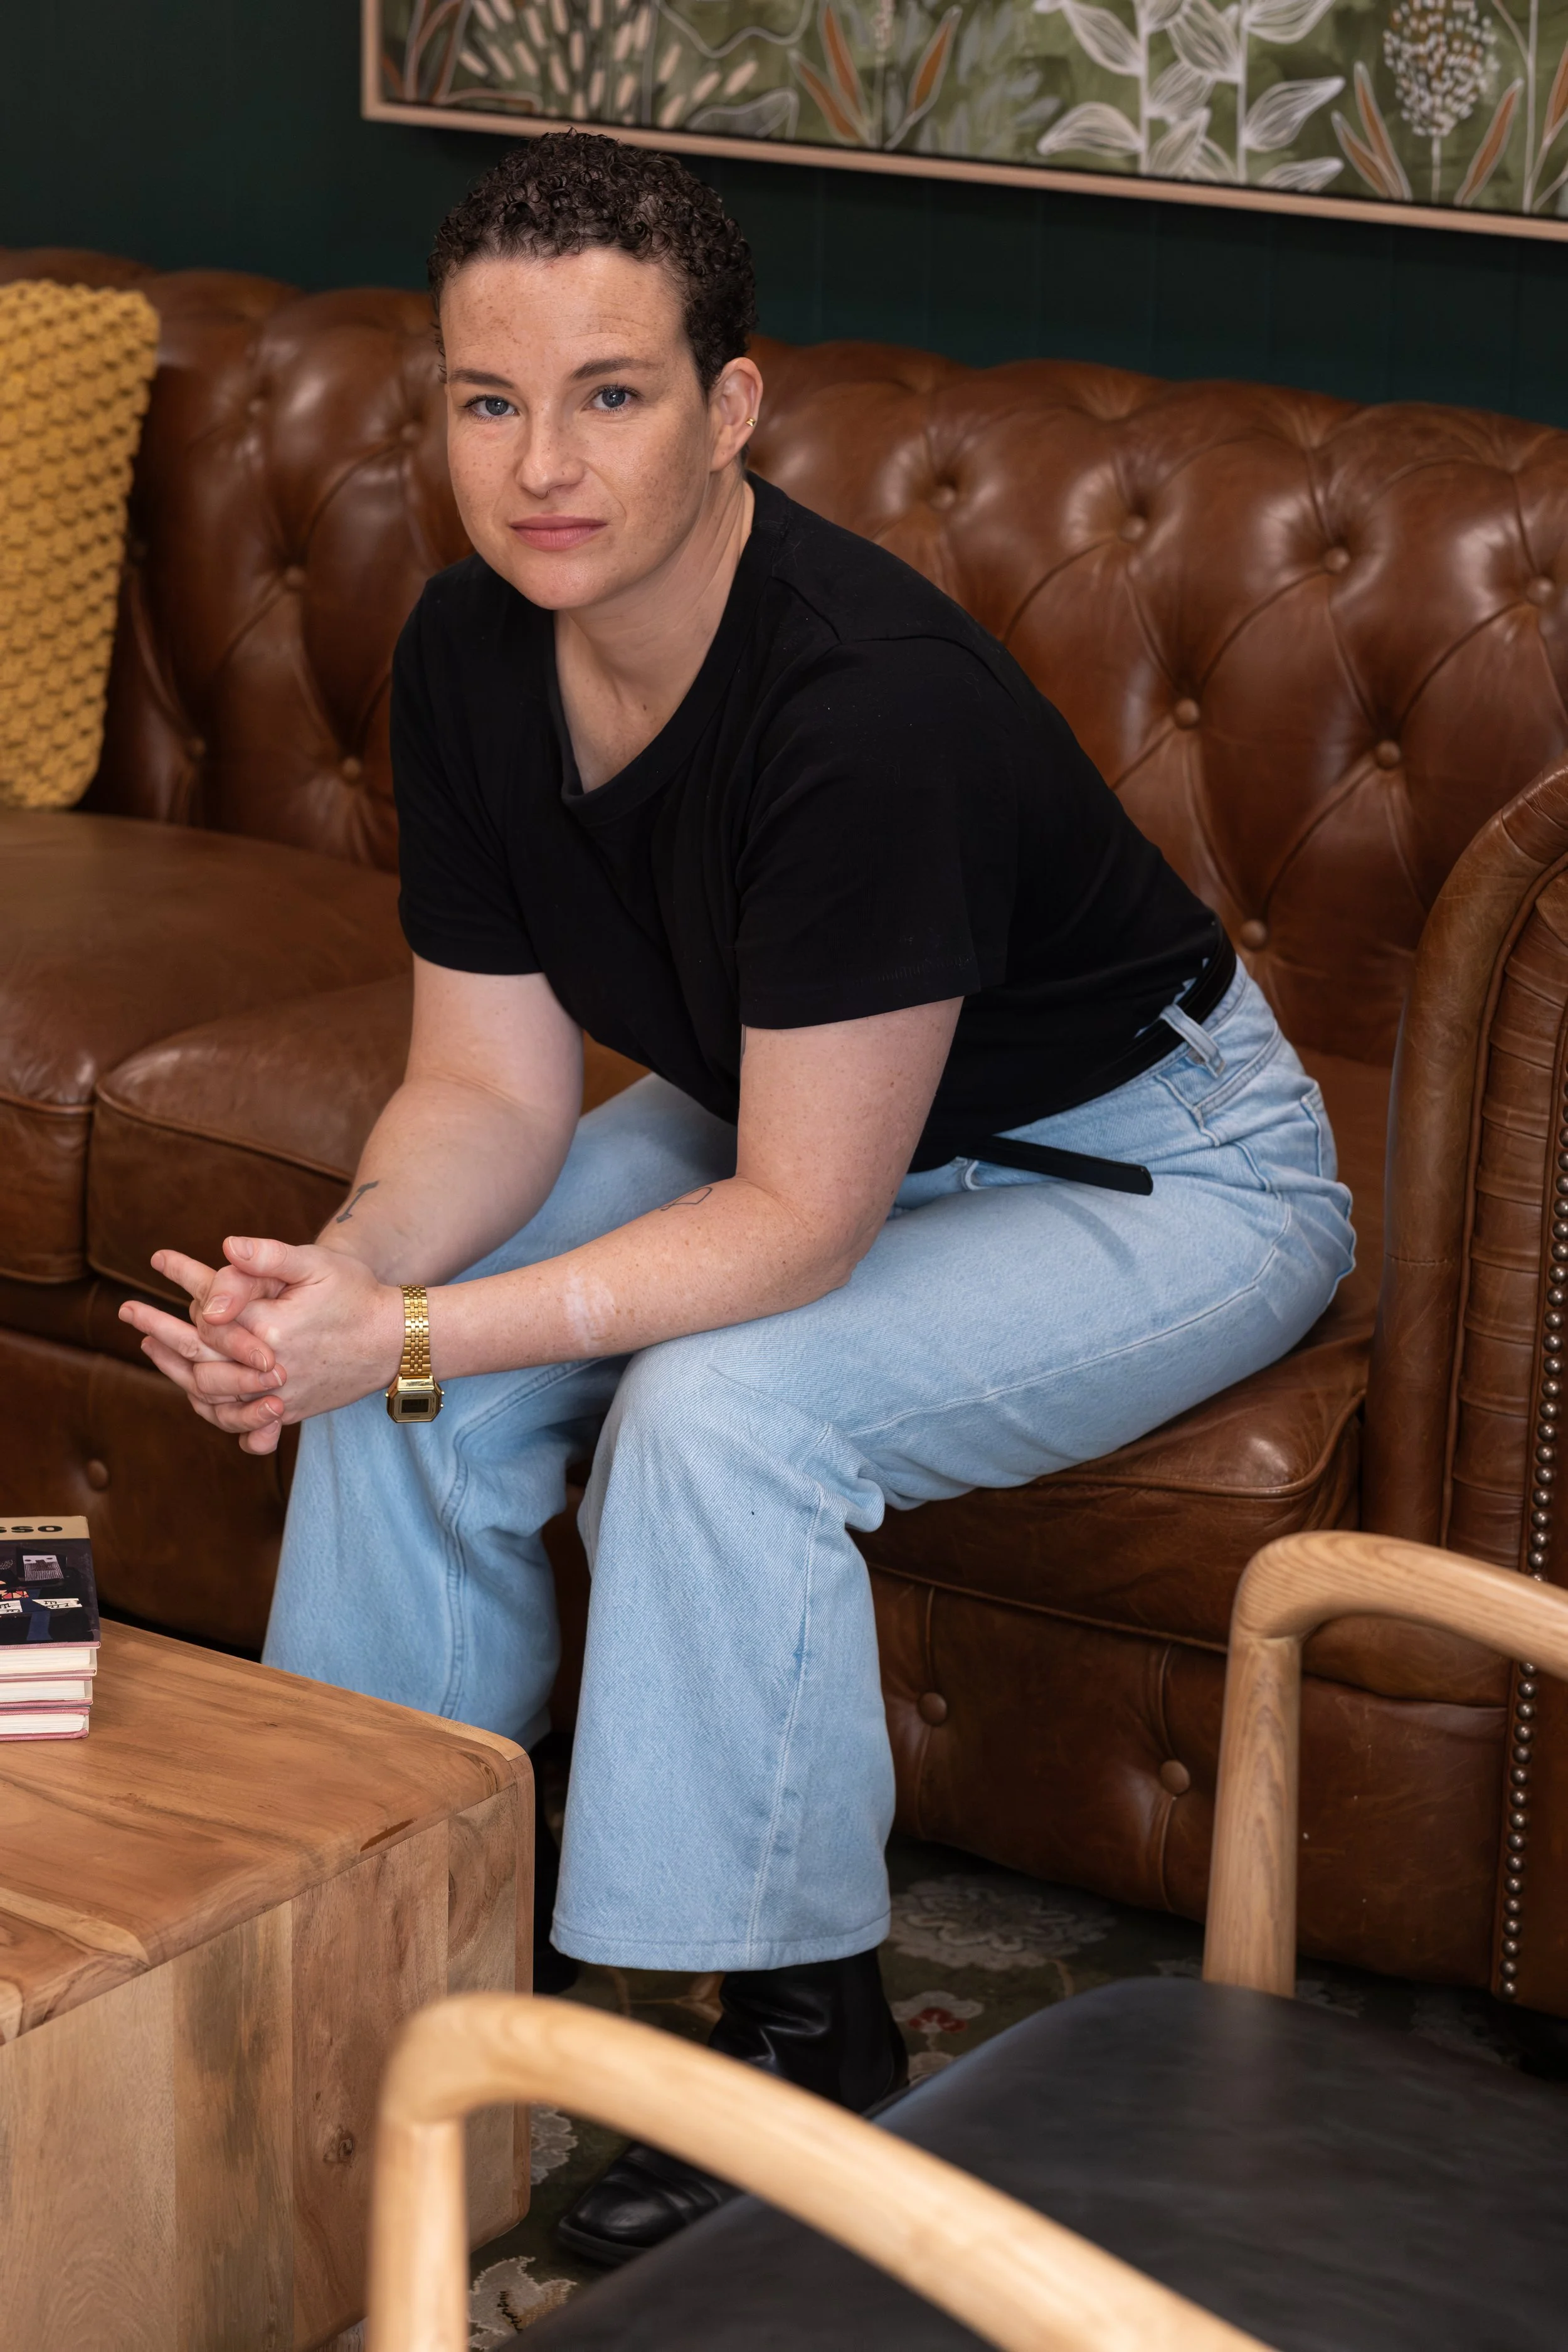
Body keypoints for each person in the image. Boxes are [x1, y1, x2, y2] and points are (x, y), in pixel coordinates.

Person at [122, 131, 1355, 2265]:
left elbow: (790, 1231)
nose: (542, 464)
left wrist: (415, 1327)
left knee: (723, 1409)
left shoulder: (858, 704)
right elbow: (483, 1089)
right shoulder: (470, 650)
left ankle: (790, 2048)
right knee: (378, 1364)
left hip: (1158, 1163)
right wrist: (346, 1282)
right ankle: (385, 1930)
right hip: (815, 1110)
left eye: (611, 393)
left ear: (732, 409)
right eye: (487, 400)